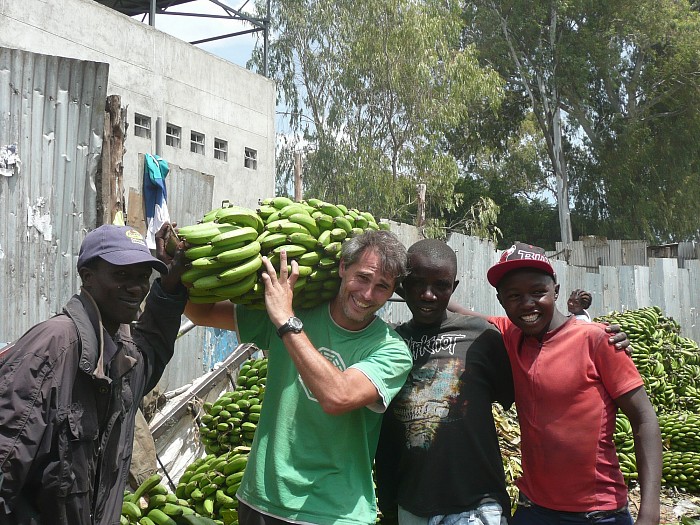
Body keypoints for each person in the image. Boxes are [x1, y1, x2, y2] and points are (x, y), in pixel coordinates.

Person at [184, 229, 413, 525]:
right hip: (262, 500)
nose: (367, 295)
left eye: (382, 286)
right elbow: (200, 312)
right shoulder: (297, 308)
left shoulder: (391, 350)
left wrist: (286, 321)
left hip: (334, 512)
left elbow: (338, 397)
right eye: (363, 277)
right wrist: (184, 261)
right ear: (343, 267)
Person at [0, 223, 188, 525]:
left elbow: (152, 347)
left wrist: (170, 284)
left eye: (143, 276)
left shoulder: (121, 352)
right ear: (87, 277)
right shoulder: (53, 347)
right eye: (122, 275)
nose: (136, 287)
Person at [477, 242, 662, 525]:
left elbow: (644, 419)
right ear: (501, 300)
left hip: (598, 514)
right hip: (534, 510)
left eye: (538, 292)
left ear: (557, 291)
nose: (527, 303)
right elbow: (453, 309)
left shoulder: (598, 341)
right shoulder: (510, 335)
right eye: (514, 295)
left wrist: (649, 512)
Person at [375, 239, 514, 525]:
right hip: (410, 502)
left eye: (441, 285)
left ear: (453, 287)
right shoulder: (388, 343)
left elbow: (528, 393)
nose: (428, 294)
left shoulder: (481, 337)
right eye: (416, 283)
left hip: (474, 504)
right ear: (401, 286)